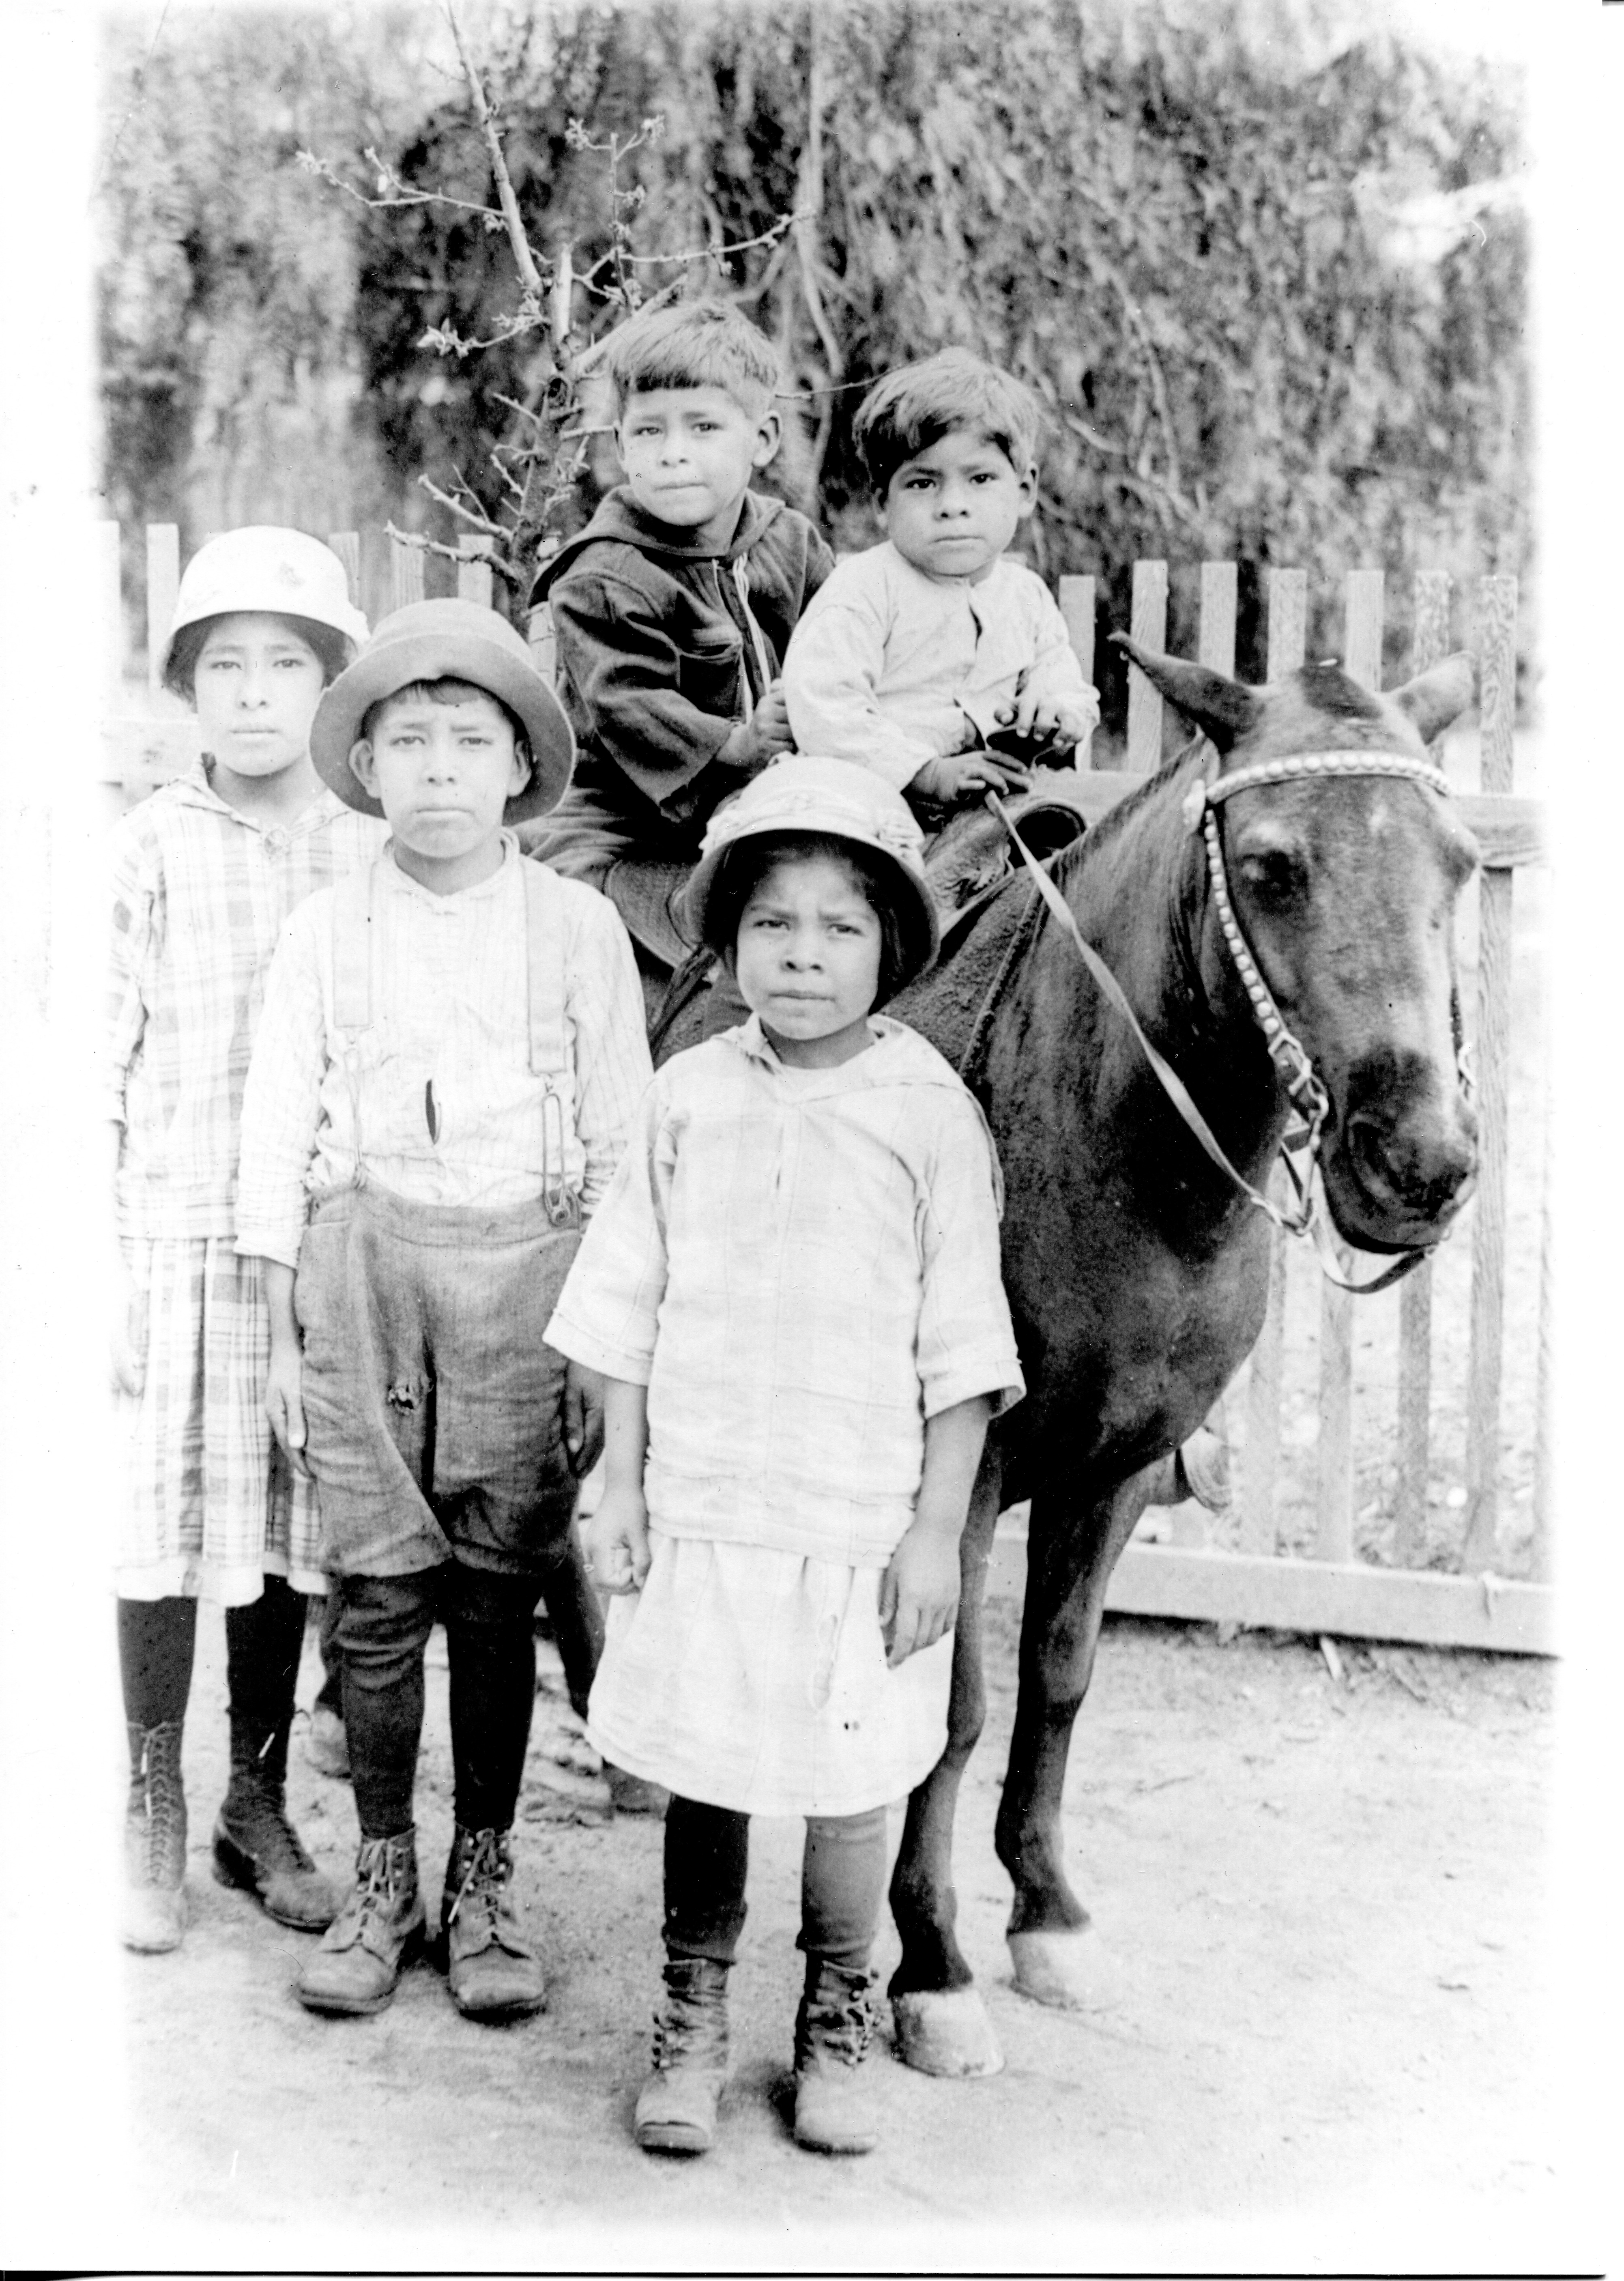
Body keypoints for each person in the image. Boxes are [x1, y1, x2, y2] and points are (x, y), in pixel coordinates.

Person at [544, 755, 1025, 2157]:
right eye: (772, 925)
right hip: (708, 1500)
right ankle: (689, 2016)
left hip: (856, 1518)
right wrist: (619, 1475)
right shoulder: (689, 1093)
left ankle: (836, 2018)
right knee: (708, 1756)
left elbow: (960, 1346)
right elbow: (622, 1295)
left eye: (839, 927)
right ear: (728, 936)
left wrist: (935, 1529)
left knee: (850, 1770)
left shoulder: (925, 1111)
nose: (804, 955)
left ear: (889, 942)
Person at [235, 598, 653, 2022]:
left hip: (527, 1280)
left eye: (466, 742)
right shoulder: (324, 930)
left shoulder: (578, 927)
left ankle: (483, 1879)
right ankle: (383, 1872)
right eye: (404, 742)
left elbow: (621, 1146)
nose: (434, 771)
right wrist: (288, 1326)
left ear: (519, 765)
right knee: (374, 1591)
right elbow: (276, 1127)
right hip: (359, 1264)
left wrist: (604, 1344)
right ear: (363, 760)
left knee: (493, 1591)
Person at [110, 526, 380, 1954]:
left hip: (314, 1263)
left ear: (331, 682)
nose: (259, 694)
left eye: (287, 664)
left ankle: (254, 1799)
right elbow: (85, 1070)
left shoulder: (370, 848)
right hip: (175, 1241)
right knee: (160, 1528)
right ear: (187, 686)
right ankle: (152, 1789)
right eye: (228, 665)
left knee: (289, 1537)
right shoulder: (147, 849)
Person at [525, 297, 834, 982]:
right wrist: (739, 744)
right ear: (621, 444)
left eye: (702, 428)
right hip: (626, 818)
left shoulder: (789, 542)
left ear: (762, 440)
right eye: (649, 432)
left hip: (769, 796)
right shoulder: (605, 574)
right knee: (573, 929)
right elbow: (628, 704)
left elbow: (845, 654)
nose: (673, 455)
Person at [782, 349, 1100, 830]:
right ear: (882, 504)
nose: (953, 505)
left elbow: (1061, 679)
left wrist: (1053, 709)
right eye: (922, 483)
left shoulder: (1025, 596)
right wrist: (924, 772)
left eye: (979, 479)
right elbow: (825, 707)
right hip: (878, 803)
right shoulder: (865, 589)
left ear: (1024, 490)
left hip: (995, 802)